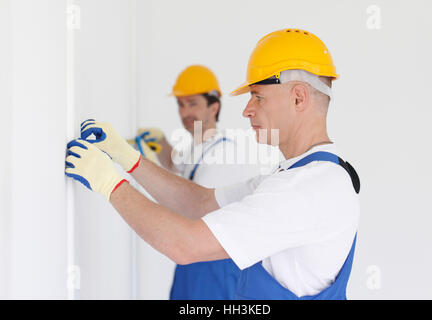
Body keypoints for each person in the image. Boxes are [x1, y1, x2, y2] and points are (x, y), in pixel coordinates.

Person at [65, 28, 360, 300]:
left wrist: (110, 184)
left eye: (258, 97)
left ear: (298, 98)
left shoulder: (306, 188)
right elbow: (200, 202)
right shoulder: (295, 177)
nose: (246, 110)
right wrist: (128, 158)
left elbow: (184, 245)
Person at [130, 65, 262, 299]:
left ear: (214, 107)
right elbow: (179, 168)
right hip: (193, 262)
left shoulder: (223, 154)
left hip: (214, 267)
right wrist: (162, 147)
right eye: (181, 104)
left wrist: (139, 164)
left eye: (192, 104)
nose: (185, 112)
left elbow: (188, 204)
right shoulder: (198, 146)